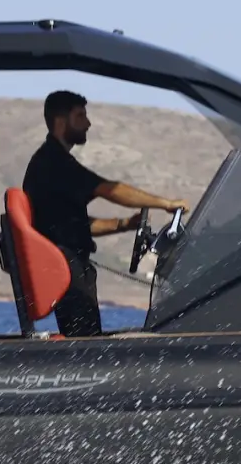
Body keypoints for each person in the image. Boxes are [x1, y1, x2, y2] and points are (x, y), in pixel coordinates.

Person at [22, 90, 191, 337]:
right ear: (60, 122)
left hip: (71, 265)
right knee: (84, 343)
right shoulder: (54, 162)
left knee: (85, 338)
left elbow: (75, 225)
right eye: (80, 116)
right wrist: (165, 203)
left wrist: (125, 224)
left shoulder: (52, 162)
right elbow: (110, 190)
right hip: (67, 267)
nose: (88, 123)